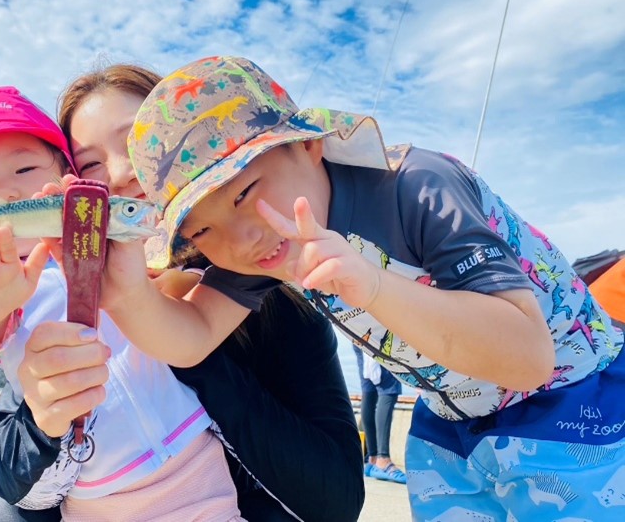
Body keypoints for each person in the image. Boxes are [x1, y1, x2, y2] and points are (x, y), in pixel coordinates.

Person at [92, 55, 625, 521]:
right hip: (449, 414)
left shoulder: (414, 186)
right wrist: (124, 292)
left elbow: (530, 356)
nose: (240, 239)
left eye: (245, 192)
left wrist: (372, 285)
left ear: (309, 147)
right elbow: (194, 334)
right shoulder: (263, 243)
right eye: (200, 230)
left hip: (570, 397)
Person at [0, 77, 364, 521]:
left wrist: (176, 329)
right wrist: (43, 416)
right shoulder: (35, 289)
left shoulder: (253, 278)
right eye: (92, 165)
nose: (120, 173)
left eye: (143, 143)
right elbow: (15, 485)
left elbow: (337, 500)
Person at [350, 344, 406, 484]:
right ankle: (382, 459)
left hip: (359, 335)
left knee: (369, 391)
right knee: (388, 388)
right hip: (379, 335)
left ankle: (373, 459)